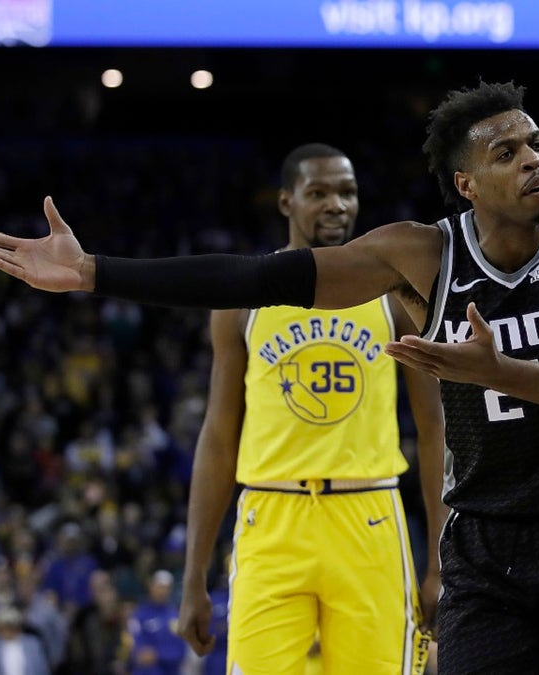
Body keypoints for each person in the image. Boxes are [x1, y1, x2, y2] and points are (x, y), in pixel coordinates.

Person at [0, 81, 539, 675]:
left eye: (536, 143)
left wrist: (502, 371)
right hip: (473, 542)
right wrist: (94, 273)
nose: (533, 158)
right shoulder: (417, 255)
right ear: (467, 184)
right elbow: (255, 277)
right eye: (507, 152)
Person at [173, 142, 447, 675]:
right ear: (286, 203)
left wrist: (440, 558)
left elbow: (435, 427)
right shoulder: (243, 297)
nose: (336, 205)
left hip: (368, 515)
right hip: (269, 518)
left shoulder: (395, 294)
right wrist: (193, 577)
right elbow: (219, 434)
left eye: (347, 193)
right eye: (318, 193)